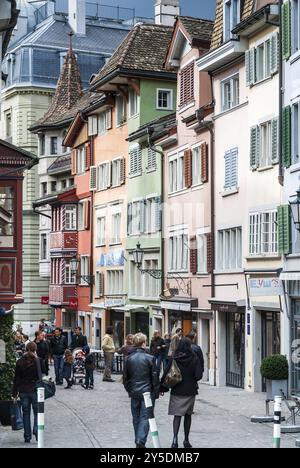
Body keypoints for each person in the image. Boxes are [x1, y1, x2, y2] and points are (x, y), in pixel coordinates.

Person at [161, 338, 203, 449]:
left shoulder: (174, 358)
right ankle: (186, 440)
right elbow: (198, 376)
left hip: (177, 390)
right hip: (190, 391)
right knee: (188, 416)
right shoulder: (194, 358)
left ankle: (174, 440)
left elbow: (166, 373)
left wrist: (161, 387)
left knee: (177, 416)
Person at [123, 333, 159, 449]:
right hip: (147, 392)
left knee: (136, 417)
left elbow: (125, 378)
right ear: (143, 343)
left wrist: (129, 390)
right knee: (145, 416)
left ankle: (138, 440)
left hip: (134, 392)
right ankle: (140, 440)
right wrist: (156, 392)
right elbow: (155, 378)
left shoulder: (128, 358)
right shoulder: (150, 358)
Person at [12, 342, 46, 444]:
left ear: (26, 349)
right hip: (35, 390)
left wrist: (14, 393)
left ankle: (27, 436)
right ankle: (36, 430)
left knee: (26, 414)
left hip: (23, 390)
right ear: (35, 349)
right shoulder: (39, 361)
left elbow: (16, 379)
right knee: (37, 412)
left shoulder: (20, 362)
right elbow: (44, 373)